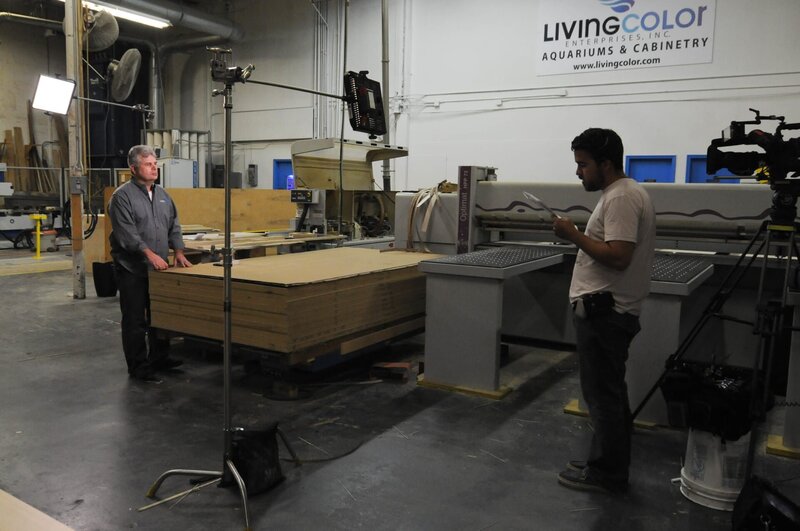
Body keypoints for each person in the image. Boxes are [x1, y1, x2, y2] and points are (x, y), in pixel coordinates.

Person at [552, 128, 656, 494]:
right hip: (606, 311)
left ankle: (608, 473)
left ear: (606, 164)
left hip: (606, 314)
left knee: (603, 396)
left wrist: (573, 234)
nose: (578, 171)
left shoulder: (622, 197)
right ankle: (606, 460)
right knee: (609, 392)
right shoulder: (620, 194)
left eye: (583, 164)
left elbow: (618, 256)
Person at [108, 145, 192, 382]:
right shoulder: (122, 197)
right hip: (132, 268)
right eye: (148, 164)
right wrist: (149, 254)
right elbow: (127, 233)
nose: (154, 168)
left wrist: (178, 251)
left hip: (158, 268)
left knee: (159, 314)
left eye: (155, 164)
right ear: (133, 168)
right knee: (135, 319)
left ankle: (160, 358)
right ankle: (138, 366)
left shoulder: (163, 195)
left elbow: (174, 224)